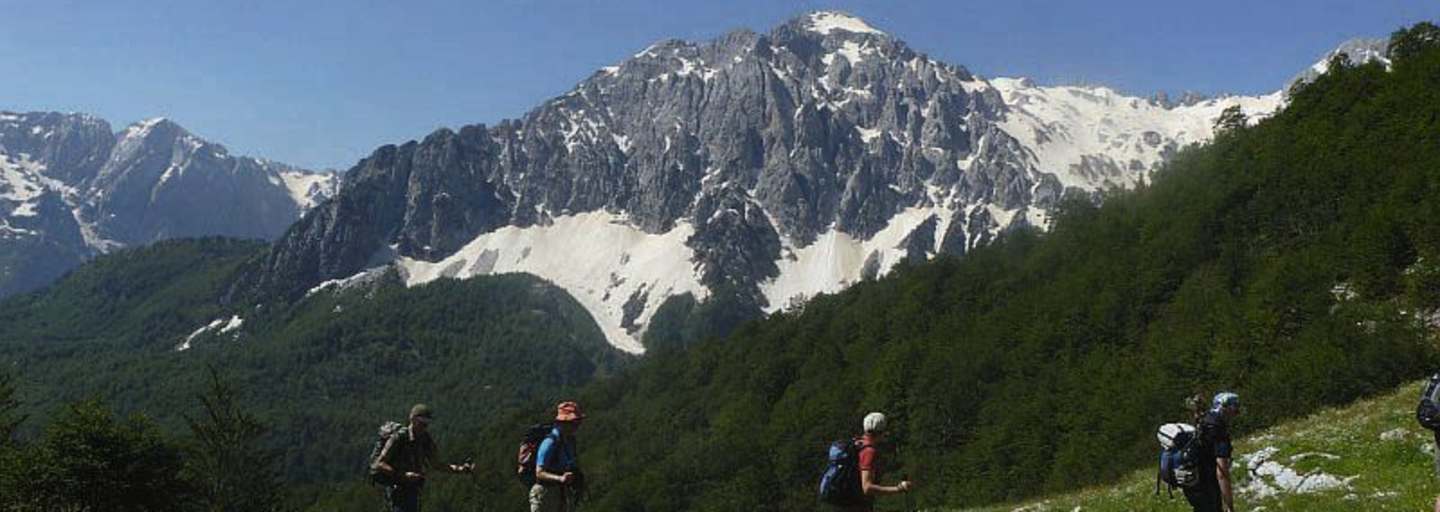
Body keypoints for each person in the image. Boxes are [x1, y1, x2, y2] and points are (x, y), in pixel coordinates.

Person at [371, 404, 474, 512]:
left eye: (427, 423)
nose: (424, 426)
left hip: (413, 488)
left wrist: (460, 469)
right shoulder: (399, 438)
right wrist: (403, 475)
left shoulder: (425, 439)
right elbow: (379, 463)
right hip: (397, 487)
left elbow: (437, 464)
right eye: (422, 422)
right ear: (413, 419)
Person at [844, 412, 913, 512]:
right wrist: (898, 488)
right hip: (857, 506)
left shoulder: (857, 443)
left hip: (846, 503)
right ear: (881, 431)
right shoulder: (869, 452)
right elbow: (867, 488)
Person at [1184, 392, 1239, 512]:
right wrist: (1230, 507)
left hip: (1192, 480)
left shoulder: (1205, 419)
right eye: (1234, 407)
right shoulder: (1218, 430)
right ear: (1225, 408)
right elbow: (1222, 474)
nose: (1236, 412)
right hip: (1205, 481)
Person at [531, 401, 586, 512]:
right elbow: (539, 473)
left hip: (561, 492)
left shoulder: (569, 441)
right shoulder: (550, 442)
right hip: (545, 492)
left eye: (578, 422)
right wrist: (560, 478)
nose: (577, 426)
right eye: (574, 422)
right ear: (563, 422)